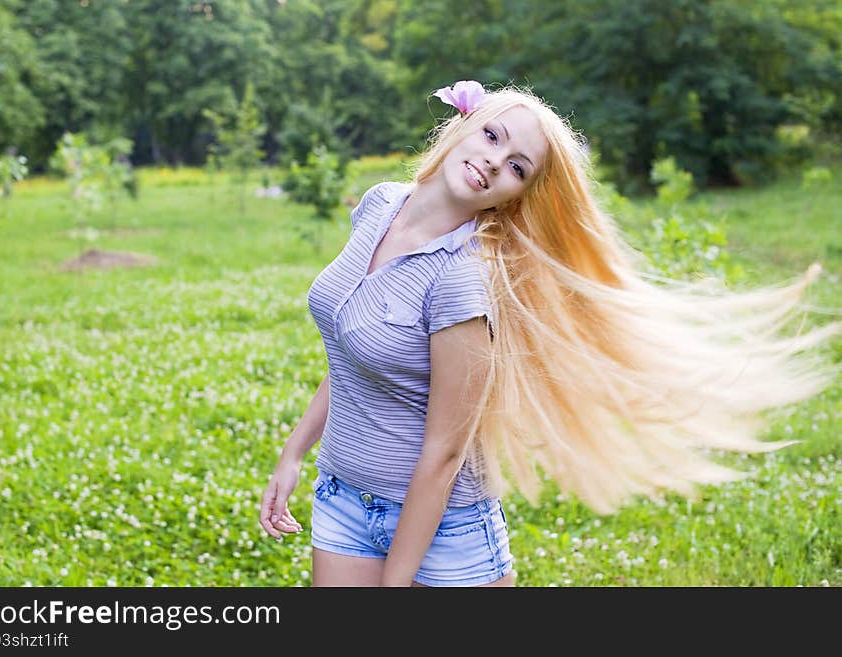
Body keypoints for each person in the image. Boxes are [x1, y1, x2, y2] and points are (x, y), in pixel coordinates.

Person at [259, 81, 842, 587]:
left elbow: (444, 452)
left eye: (518, 167)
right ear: (465, 124)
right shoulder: (379, 204)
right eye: (493, 138)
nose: (494, 161)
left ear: (519, 196)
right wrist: (293, 455)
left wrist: (397, 582)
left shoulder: (460, 281)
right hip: (343, 498)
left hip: (444, 528)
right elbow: (354, 358)